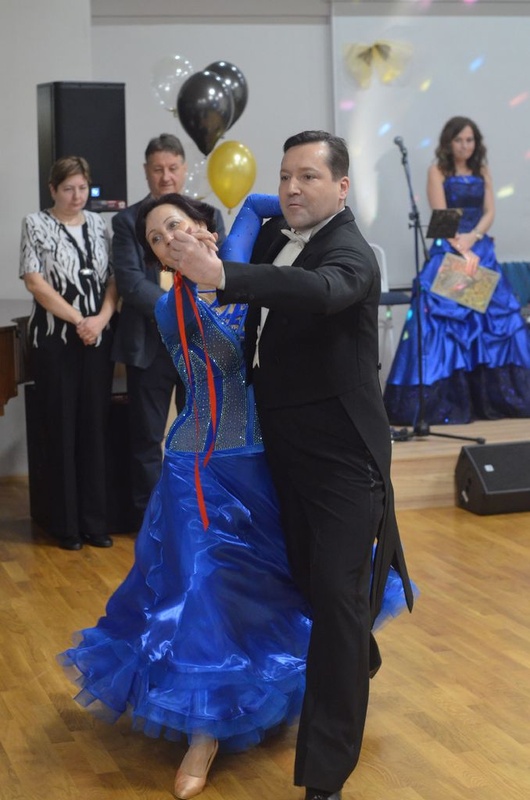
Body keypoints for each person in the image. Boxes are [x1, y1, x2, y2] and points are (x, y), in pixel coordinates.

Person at [58, 191, 414, 800]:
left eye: (175, 225)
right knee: (204, 593)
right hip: (197, 471)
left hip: (265, 462)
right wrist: (213, 263)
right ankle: (203, 734)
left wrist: (323, 205)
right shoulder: (171, 306)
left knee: (288, 579)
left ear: (202, 226)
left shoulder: (240, 264)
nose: (167, 240)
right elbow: (220, 313)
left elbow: (254, 204)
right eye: (155, 240)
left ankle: (335, 658)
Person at [162, 131, 415, 800]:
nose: (293, 188)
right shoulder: (279, 229)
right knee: (307, 581)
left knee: (333, 599)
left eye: (310, 176)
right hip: (283, 450)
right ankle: (354, 649)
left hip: (343, 460)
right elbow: (260, 214)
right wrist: (224, 237)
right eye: (285, 176)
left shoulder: (352, 254)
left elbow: (317, 290)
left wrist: (222, 275)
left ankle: (325, 778)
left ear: (342, 187)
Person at [111, 133, 226, 527]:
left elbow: (223, 273)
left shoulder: (206, 214)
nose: (165, 176)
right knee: (147, 439)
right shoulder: (127, 221)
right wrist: (175, 314)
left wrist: (193, 318)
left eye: (172, 168)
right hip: (150, 345)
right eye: (157, 169)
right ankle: (152, 524)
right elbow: (130, 283)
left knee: (200, 437)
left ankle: (197, 521)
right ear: (146, 171)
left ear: (184, 169)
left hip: (198, 344)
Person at [384, 116, 530, 425]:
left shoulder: (482, 170)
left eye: (470, 140)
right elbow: (441, 215)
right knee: (446, 320)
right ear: (448, 143)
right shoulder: (437, 170)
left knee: (498, 322)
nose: (465, 145)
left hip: (479, 248)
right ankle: (446, 402)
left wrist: (473, 239)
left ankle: (492, 398)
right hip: (450, 248)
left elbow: (490, 211)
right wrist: (461, 247)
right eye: (459, 140)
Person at [19, 155, 117, 550]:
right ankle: (66, 526)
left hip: (97, 339)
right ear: (52, 190)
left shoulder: (98, 223)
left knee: (95, 429)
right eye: (68, 189)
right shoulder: (35, 224)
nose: (77, 196)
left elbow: (112, 279)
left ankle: (95, 523)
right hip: (56, 340)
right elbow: (35, 282)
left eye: (82, 188)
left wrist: (102, 319)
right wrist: (80, 320)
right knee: (61, 429)